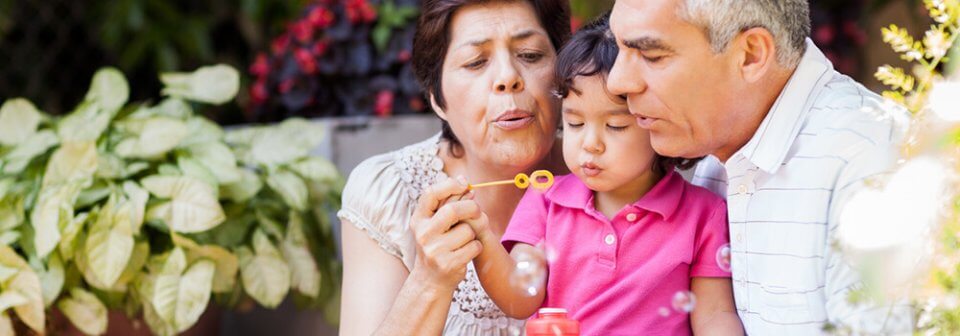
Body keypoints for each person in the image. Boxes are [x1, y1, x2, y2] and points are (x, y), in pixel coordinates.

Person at [605, 0, 913, 333]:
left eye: (652, 56)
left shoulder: (872, 161)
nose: (618, 82)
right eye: (619, 49)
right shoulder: (713, 140)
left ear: (751, 55)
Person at [470, 16, 743, 335]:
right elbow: (519, 299)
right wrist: (481, 236)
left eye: (614, 126)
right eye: (574, 123)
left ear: (657, 120)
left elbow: (714, 316)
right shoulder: (545, 201)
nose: (590, 144)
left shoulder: (702, 214)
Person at [337, 0, 570, 334]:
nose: (508, 77)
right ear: (437, 98)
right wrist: (430, 280)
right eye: (476, 62)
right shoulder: (389, 193)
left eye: (530, 55)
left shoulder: (614, 176)